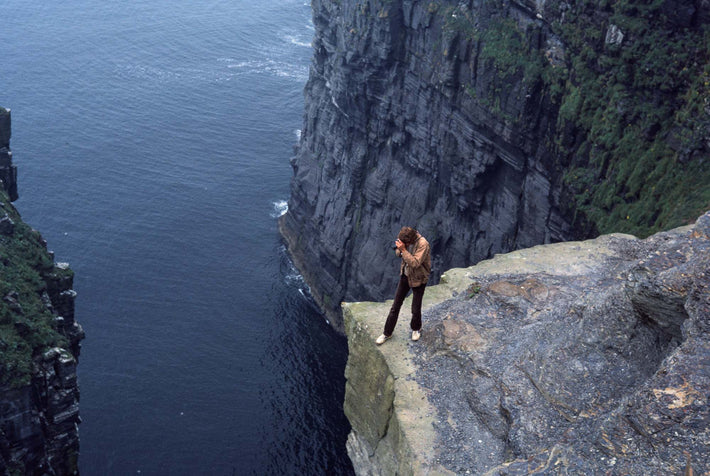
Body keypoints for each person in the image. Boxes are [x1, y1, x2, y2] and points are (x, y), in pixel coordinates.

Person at [376, 226, 431, 345]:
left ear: (410, 240)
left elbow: (415, 263)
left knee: (416, 307)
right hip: (405, 276)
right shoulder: (405, 240)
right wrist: (400, 249)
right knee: (395, 306)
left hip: (419, 279)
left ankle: (416, 329)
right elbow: (398, 254)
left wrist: (404, 250)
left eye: (406, 243)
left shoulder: (423, 244)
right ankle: (387, 333)